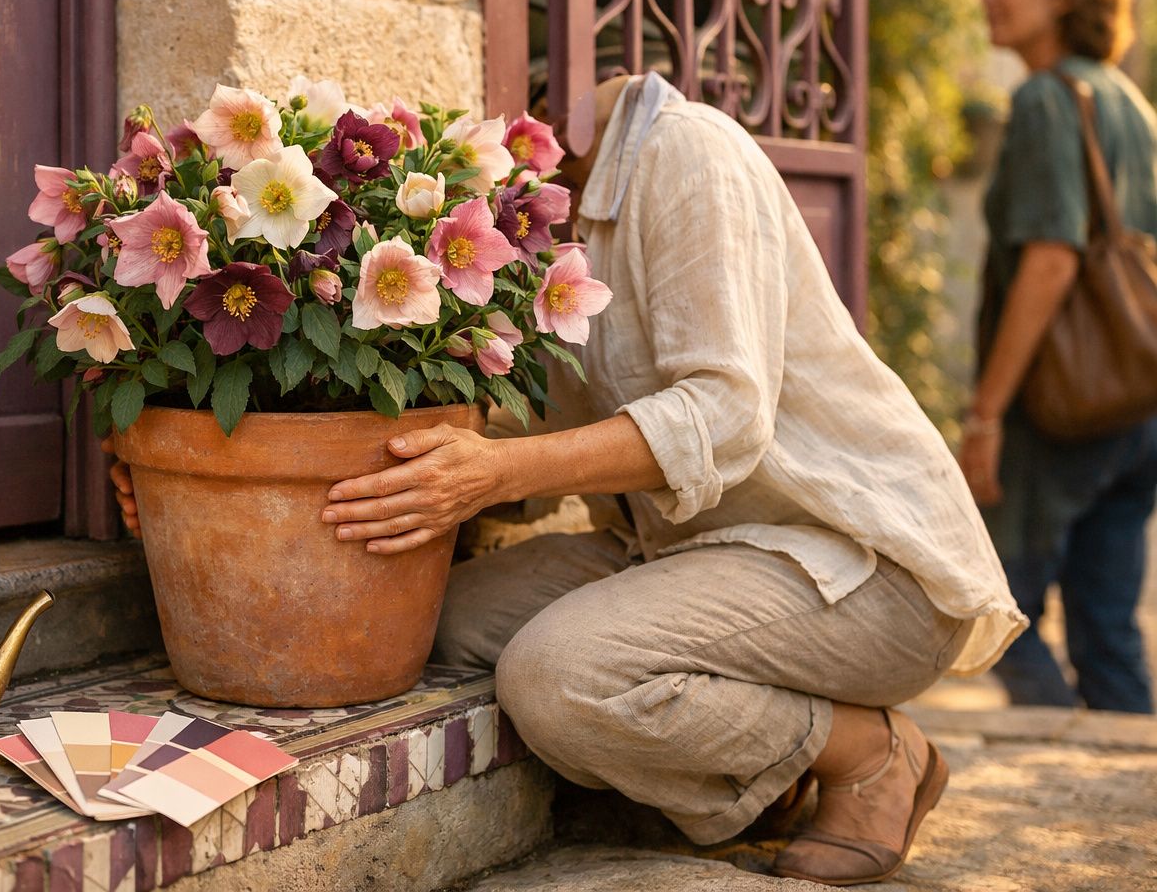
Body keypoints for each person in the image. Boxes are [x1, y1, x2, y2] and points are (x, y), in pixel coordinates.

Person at [107, 74, 1025, 886]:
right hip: (692, 551)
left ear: (562, 76)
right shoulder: (552, 209)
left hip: (857, 564)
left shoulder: (687, 154)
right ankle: (762, 770)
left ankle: (870, 753)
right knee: (446, 622)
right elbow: (528, 414)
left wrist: (494, 472)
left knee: (557, 678)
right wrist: (223, 478)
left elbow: (723, 413)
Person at [964, 0, 1157, 715]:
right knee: (1108, 630)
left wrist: (986, 415)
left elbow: (1050, 262)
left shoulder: (1046, 100)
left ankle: (1063, 761)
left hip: (1061, 408)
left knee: (993, 609)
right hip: (1137, 399)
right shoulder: (1129, 101)